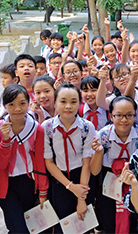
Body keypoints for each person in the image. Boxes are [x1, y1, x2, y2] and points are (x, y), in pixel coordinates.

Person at [0, 84, 48, 233]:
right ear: (4, 106)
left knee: (31, 226)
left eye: (22, 103)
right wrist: (5, 140)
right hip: (6, 183)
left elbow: (40, 161)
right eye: (11, 104)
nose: (17, 109)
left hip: (29, 181)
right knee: (18, 228)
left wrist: (43, 191)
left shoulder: (36, 129)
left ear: (29, 104)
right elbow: (1, 164)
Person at [42, 82, 95, 232]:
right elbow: (49, 162)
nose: (68, 106)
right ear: (55, 102)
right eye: (63, 101)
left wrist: (81, 198)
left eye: (73, 102)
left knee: (83, 223)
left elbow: (87, 163)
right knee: (63, 226)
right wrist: (70, 186)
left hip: (83, 178)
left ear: (80, 103)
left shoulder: (87, 127)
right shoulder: (47, 127)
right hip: (60, 180)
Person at [90, 96, 138, 233]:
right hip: (109, 182)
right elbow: (94, 171)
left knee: (133, 218)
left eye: (129, 115)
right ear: (111, 116)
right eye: (119, 115)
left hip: (133, 180)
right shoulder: (103, 135)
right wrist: (98, 153)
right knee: (109, 219)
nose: (124, 120)